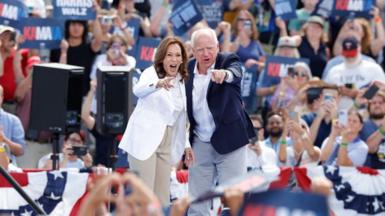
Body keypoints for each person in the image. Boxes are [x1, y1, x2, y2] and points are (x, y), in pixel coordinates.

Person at [185, 28, 255, 215]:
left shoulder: (227, 60)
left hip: (230, 138)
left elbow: (236, 71)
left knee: (234, 198)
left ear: (217, 47)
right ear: (192, 50)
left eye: (210, 48)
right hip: (200, 141)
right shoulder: (186, 71)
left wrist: (225, 75)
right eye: (200, 49)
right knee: (197, 201)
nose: (206, 53)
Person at [119, 37, 192, 206]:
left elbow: (181, 118)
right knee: (144, 197)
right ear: (162, 58)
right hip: (145, 140)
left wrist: (186, 144)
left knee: (162, 198)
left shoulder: (182, 80)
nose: (174, 59)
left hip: (167, 140)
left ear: (182, 59)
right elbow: (137, 90)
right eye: (169, 55)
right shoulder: (151, 73)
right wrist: (157, 84)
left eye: (177, 55)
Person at [0, 85, 25, 166]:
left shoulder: (13, 120)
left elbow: (20, 151)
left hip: (6, 172)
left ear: (1, 98)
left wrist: (3, 139)